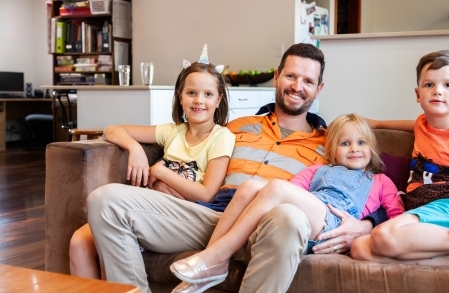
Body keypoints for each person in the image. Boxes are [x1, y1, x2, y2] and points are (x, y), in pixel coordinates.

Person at [86, 43, 387, 293]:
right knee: (105, 200)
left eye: (308, 81)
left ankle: (214, 260)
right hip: (211, 217)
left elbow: (368, 183)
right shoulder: (235, 127)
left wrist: (368, 225)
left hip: (271, 228)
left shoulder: (332, 144)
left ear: (318, 89)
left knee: (291, 217)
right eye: (291, 76)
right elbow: (193, 151)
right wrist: (161, 174)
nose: (297, 87)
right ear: (276, 77)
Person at [169, 113, 405, 291]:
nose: (354, 149)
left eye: (361, 143)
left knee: (277, 187)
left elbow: (398, 219)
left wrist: (367, 227)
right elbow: (289, 195)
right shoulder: (318, 170)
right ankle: (209, 265)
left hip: (335, 223)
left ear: (371, 149)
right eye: (345, 143)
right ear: (332, 150)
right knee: (250, 186)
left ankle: (215, 257)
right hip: (309, 216)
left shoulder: (381, 181)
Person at [69, 47, 235, 279]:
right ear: (180, 96)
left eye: (208, 94)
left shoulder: (221, 137)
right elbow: (112, 130)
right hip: (151, 204)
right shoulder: (172, 131)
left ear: (219, 100)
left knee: (104, 201)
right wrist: (134, 148)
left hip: (186, 215)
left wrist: (161, 172)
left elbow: (207, 193)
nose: (199, 100)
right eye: (191, 93)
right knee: (79, 242)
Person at [350, 50, 449, 270]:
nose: (438, 91)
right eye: (429, 85)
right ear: (418, 94)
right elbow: (412, 125)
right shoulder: (422, 125)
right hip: (424, 210)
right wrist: (378, 124)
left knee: (384, 236)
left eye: (448, 85)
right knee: (360, 249)